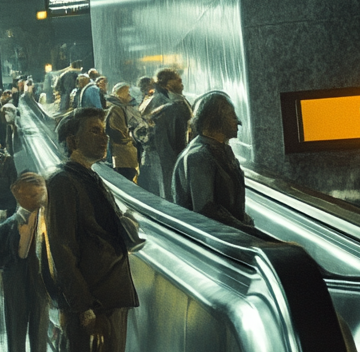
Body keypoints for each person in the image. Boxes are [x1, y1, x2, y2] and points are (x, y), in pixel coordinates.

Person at [40, 108, 142, 352]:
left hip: (110, 296)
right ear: (72, 141)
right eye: (95, 132)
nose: (104, 137)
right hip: (92, 303)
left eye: (104, 131)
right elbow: (61, 250)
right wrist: (82, 306)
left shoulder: (91, 178)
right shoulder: (64, 182)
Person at [0, 173, 50, 352]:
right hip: (15, 286)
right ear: (19, 195)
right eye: (34, 194)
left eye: (41, 193)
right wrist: (9, 265)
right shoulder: (6, 227)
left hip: (40, 285)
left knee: (40, 333)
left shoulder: (48, 226)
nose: (39, 198)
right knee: (15, 333)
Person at [172, 91, 256, 233]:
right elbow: (208, 212)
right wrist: (253, 234)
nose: (238, 121)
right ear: (214, 120)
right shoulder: (199, 157)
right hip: (214, 240)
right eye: (231, 115)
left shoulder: (221, 150)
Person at [143, 68, 192, 200]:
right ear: (167, 84)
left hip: (175, 156)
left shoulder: (176, 100)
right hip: (169, 158)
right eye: (177, 79)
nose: (181, 81)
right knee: (169, 191)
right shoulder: (162, 103)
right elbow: (165, 141)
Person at [104, 83, 140, 181]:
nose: (129, 94)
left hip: (124, 154)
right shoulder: (116, 109)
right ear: (120, 94)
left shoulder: (120, 107)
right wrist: (131, 140)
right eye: (126, 92)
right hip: (122, 155)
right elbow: (117, 133)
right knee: (127, 177)